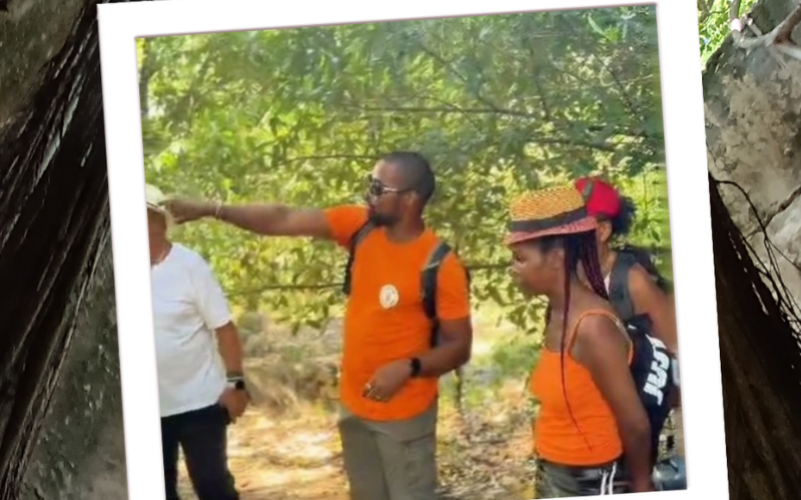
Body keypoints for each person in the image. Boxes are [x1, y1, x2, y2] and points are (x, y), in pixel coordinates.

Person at [164, 152, 473, 500]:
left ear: (410, 198)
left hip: (405, 418)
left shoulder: (440, 264)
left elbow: (458, 347)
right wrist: (213, 209)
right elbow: (283, 218)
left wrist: (409, 366)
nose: (367, 195)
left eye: (377, 188)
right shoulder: (361, 227)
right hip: (354, 410)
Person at [506, 185, 654, 497]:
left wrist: (642, 486)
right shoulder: (558, 312)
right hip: (554, 472)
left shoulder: (593, 328)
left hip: (588, 481)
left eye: (520, 258)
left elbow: (636, 425)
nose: (512, 269)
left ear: (557, 257)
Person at [146, 184, 249, 500]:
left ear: (161, 223)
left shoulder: (190, 267)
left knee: (213, 486)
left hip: (199, 403)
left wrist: (237, 385)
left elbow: (225, 329)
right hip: (148, 409)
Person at [575, 176, 684, 465]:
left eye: (576, 226)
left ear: (602, 230)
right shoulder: (569, 281)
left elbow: (676, 358)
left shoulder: (633, 282)